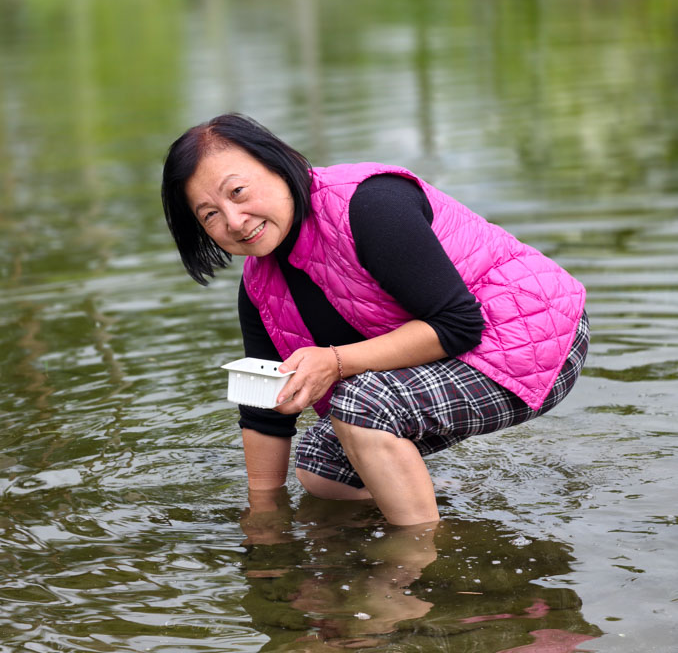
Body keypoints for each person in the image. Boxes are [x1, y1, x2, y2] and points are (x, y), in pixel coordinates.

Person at [161, 113, 589, 527]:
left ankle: (421, 556)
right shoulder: (259, 286)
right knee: (321, 469)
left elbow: (458, 324)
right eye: (209, 215)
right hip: (459, 347)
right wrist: (264, 515)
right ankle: (434, 506)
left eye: (236, 192)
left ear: (278, 164)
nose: (234, 222)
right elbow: (265, 409)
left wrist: (336, 362)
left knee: (361, 405)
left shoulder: (369, 204)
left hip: (534, 334)